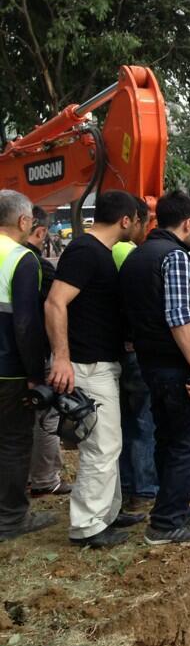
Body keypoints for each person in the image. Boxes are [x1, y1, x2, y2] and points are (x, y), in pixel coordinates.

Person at [119, 191, 190, 544]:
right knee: (183, 442)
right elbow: (179, 318)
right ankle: (166, 522)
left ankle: (175, 504)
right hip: (175, 366)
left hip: (149, 363)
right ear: (188, 223)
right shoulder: (174, 257)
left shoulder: (137, 256)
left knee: (165, 436)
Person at [46, 190, 141, 547]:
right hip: (87, 365)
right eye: (136, 219)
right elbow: (56, 303)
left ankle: (108, 513)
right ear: (126, 220)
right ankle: (87, 527)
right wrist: (61, 358)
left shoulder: (96, 253)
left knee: (109, 444)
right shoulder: (86, 252)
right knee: (100, 448)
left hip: (101, 361)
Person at [0, 191, 55, 542]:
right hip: (8, 371)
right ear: (23, 221)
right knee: (14, 443)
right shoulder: (22, 259)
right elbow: (26, 324)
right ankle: (12, 519)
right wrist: (36, 375)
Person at [114, 198, 159, 513]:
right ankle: (144, 491)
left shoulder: (104, 252)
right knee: (145, 421)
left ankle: (129, 486)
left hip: (115, 351)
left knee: (126, 422)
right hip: (135, 351)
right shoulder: (129, 253)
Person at [23, 206, 71, 498]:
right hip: (35, 353)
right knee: (46, 417)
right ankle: (43, 479)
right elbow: (53, 310)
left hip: (12, 354)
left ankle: (41, 472)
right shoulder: (36, 265)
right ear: (39, 231)